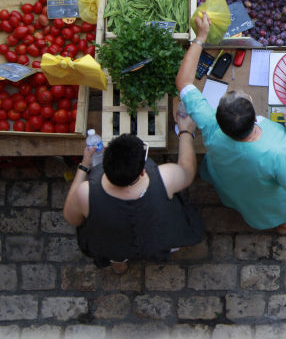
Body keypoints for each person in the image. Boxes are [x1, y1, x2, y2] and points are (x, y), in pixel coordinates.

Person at [175, 13, 286, 234]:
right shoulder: (276, 152)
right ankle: (284, 224)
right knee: (271, 210)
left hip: (230, 183)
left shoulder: (210, 124)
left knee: (241, 201)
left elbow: (183, 82)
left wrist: (200, 38)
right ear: (252, 107)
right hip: (264, 197)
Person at [63, 113, 205, 273]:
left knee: (115, 252)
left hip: (113, 243)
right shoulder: (166, 177)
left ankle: (119, 264)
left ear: (105, 165)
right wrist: (185, 133)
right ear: (143, 171)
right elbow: (188, 170)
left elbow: (72, 218)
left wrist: (84, 166)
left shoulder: (85, 193)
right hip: (155, 237)